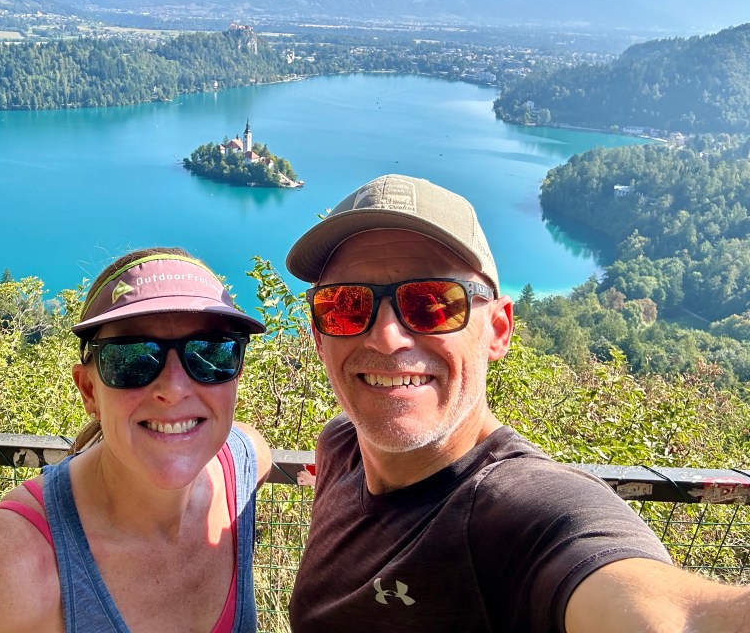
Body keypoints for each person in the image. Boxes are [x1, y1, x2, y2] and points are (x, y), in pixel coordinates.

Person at [284, 174, 750, 633]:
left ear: (498, 330)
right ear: (319, 338)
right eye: (344, 306)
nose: (387, 338)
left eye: (433, 303)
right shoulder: (341, 445)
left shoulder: (526, 512)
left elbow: (677, 616)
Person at [0, 248, 272, 633]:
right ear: (89, 390)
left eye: (212, 353)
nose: (174, 389)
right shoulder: (19, 562)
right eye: (131, 359)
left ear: (236, 376)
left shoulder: (243, 462)